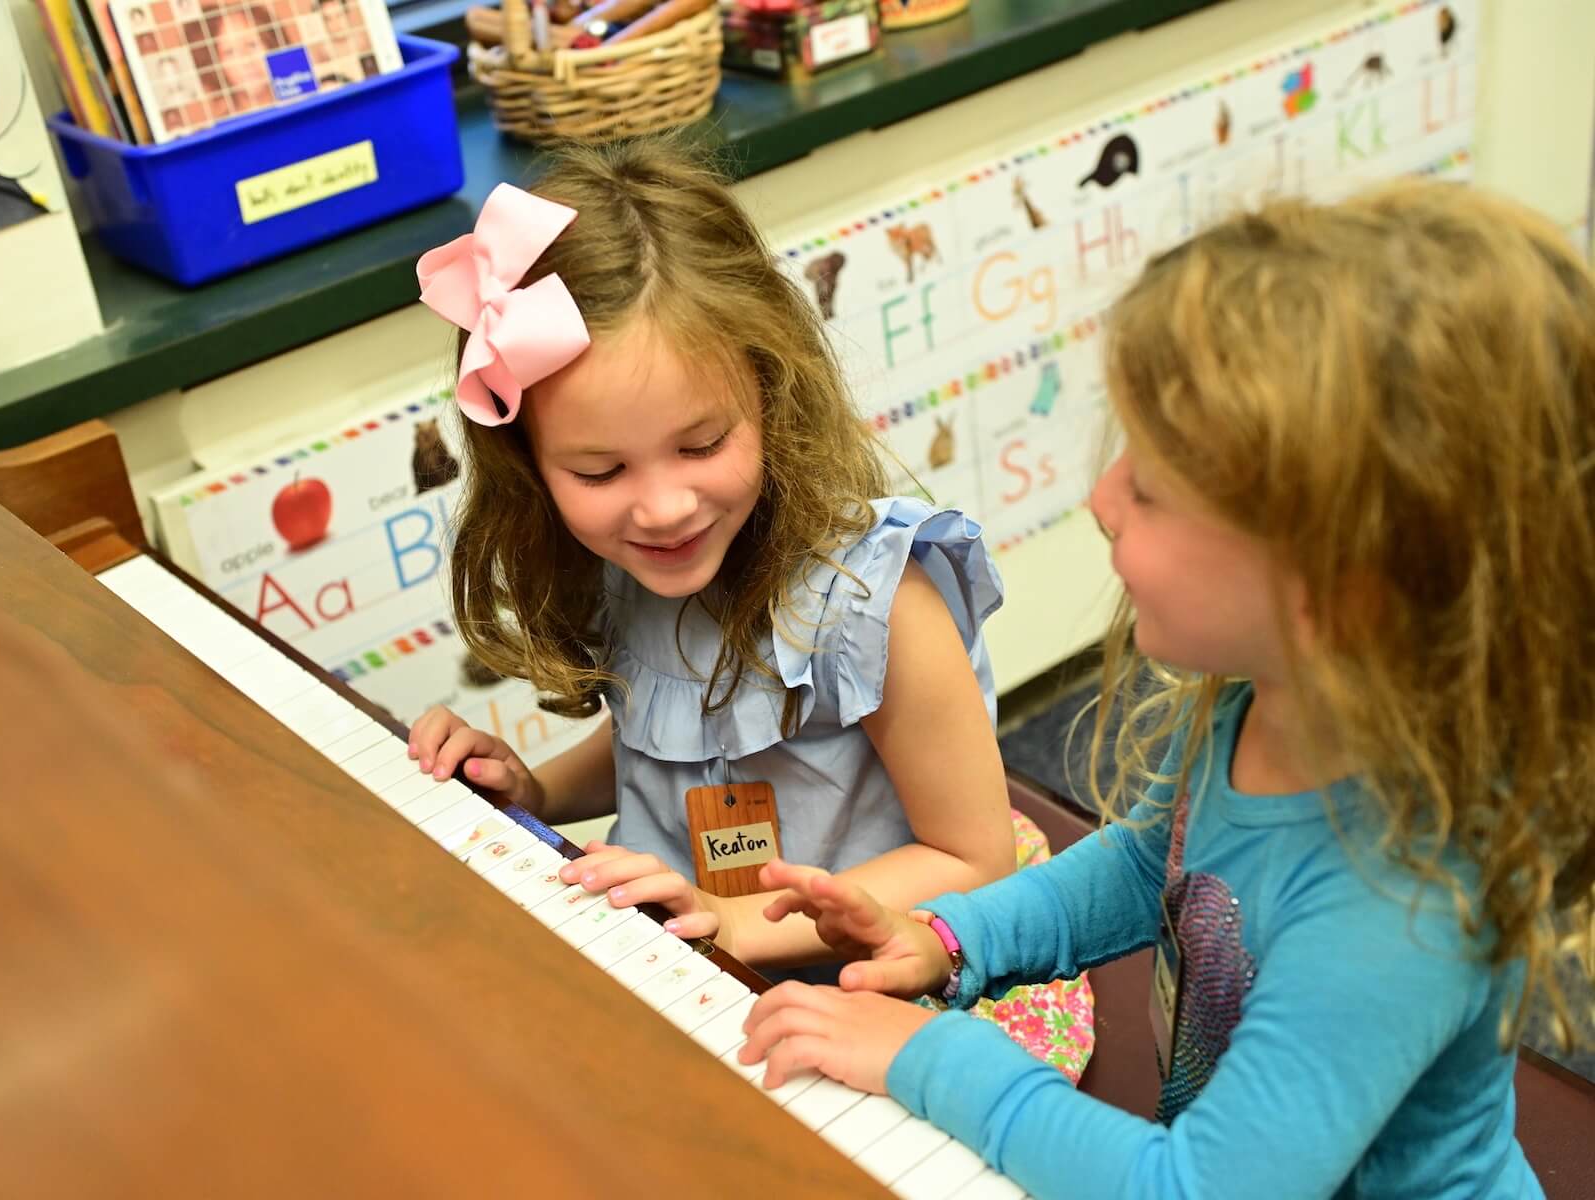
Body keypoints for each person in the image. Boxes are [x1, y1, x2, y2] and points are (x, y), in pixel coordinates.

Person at [735, 179, 1595, 1197]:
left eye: (1150, 488)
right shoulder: (1270, 704)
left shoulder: (1396, 910)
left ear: (1338, 585)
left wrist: (929, 1058)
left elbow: (1193, 1190)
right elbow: (1159, 861)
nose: (1101, 502)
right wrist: (952, 939)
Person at [405, 140, 1026, 980]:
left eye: (701, 444)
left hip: (869, 981)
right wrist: (538, 793)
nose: (662, 508)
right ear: (528, 464)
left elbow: (976, 862)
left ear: (770, 390)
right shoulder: (630, 564)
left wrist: (731, 923)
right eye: (599, 471)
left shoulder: (875, 601)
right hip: (689, 964)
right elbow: (666, 735)